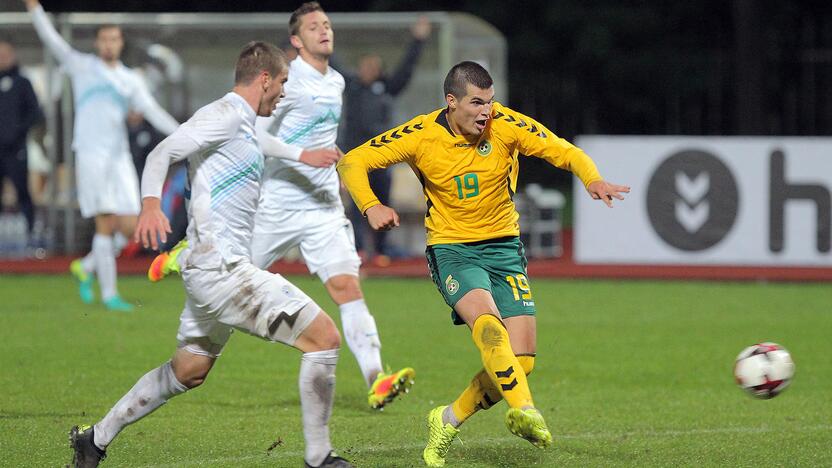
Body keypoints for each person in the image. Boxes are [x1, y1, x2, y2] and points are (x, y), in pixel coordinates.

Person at [67, 41, 352, 468]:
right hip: (224, 270)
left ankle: (95, 439)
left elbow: (263, 145)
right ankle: (319, 458)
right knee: (325, 338)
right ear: (264, 79)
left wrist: (309, 156)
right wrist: (149, 204)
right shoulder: (222, 114)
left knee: (189, 370)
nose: (284, 93)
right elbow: (164, 151)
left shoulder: (246, 123)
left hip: (213, 271)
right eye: (283, 83)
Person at [337, 61, 630, 466]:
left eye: (489, 102)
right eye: (476, 103)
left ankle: (447, 418)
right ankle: (526, 411)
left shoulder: (506, 124)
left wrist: (591, 178)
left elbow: (564, 150)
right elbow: (352, 161)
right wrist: (369, 206)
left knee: (521, 361)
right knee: (489, 327)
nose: (485, 112)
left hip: (505, 250)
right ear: (451, 101)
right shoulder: (421, 134)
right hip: (453, 249)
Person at [150, 1, 415, 411]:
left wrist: (332, 164)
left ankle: (376, 378)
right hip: (275, 205)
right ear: (296, 39)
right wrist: (301, 154)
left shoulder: (339, 83)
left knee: (347, 286)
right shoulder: (285, 82)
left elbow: (324, 138)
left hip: (323, 206)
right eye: (314, 26)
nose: (324, 30)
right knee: (226, 282)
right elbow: (254, 136)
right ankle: (187, 258)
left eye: (327, 24)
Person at [25, 0, 180, 311]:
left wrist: (186, 134)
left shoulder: (129, 79)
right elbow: (51, 40)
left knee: (132, 226)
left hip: (118, 156)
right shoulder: (82, 66)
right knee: (106, 222)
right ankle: (109, 294)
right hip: (91, 154)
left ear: (120, 43)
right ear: (98, 43)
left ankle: (87, 265)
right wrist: (34, 10)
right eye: (105, 39)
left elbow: (152, 111)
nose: (109, 44)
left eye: (114, 39)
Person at [333, 16, 431, 266]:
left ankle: (382, 250)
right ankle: (356, 251)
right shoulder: (352, 86)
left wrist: (418, 40)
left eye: (372, 66)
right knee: (356, 206)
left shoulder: (386, 88)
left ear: (379, 70)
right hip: (355, 159)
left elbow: (406, 69)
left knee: (383, 202)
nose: (366, 70)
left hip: (381, 158)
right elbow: (331, 61)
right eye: (364, 65)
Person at [0, 38, 42, 240]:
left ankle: (31, 236)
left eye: (5, 55)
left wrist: (17, 131)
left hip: (16, 149)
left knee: (23, 192)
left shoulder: (22, 82)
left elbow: (35, 113)